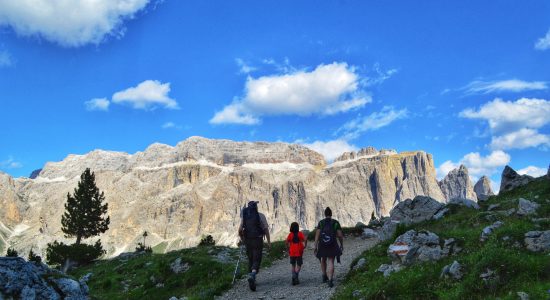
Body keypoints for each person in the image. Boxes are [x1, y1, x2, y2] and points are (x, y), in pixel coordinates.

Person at [238, 200, 271, 291]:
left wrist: (242, 238)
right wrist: (268, 242)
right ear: (256, 207)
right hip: (258, 239)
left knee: (250, 258)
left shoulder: (245, 217)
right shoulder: (260, 216)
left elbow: (240, 229)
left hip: (248, 240)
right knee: (257, 258)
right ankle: (253, 275)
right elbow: (266, 230)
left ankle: (252, 277)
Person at [314, 207, 344, 288]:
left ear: (325, 214)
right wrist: (341, 244)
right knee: (331, 260)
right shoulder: (335, 223)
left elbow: (317, 236)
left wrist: (315, 246)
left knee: (323, 259)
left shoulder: (321, 223)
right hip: (332, 244)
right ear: (331, 214)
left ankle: (324, 276)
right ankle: (330, 280)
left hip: (322, 244)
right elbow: (340, 235)